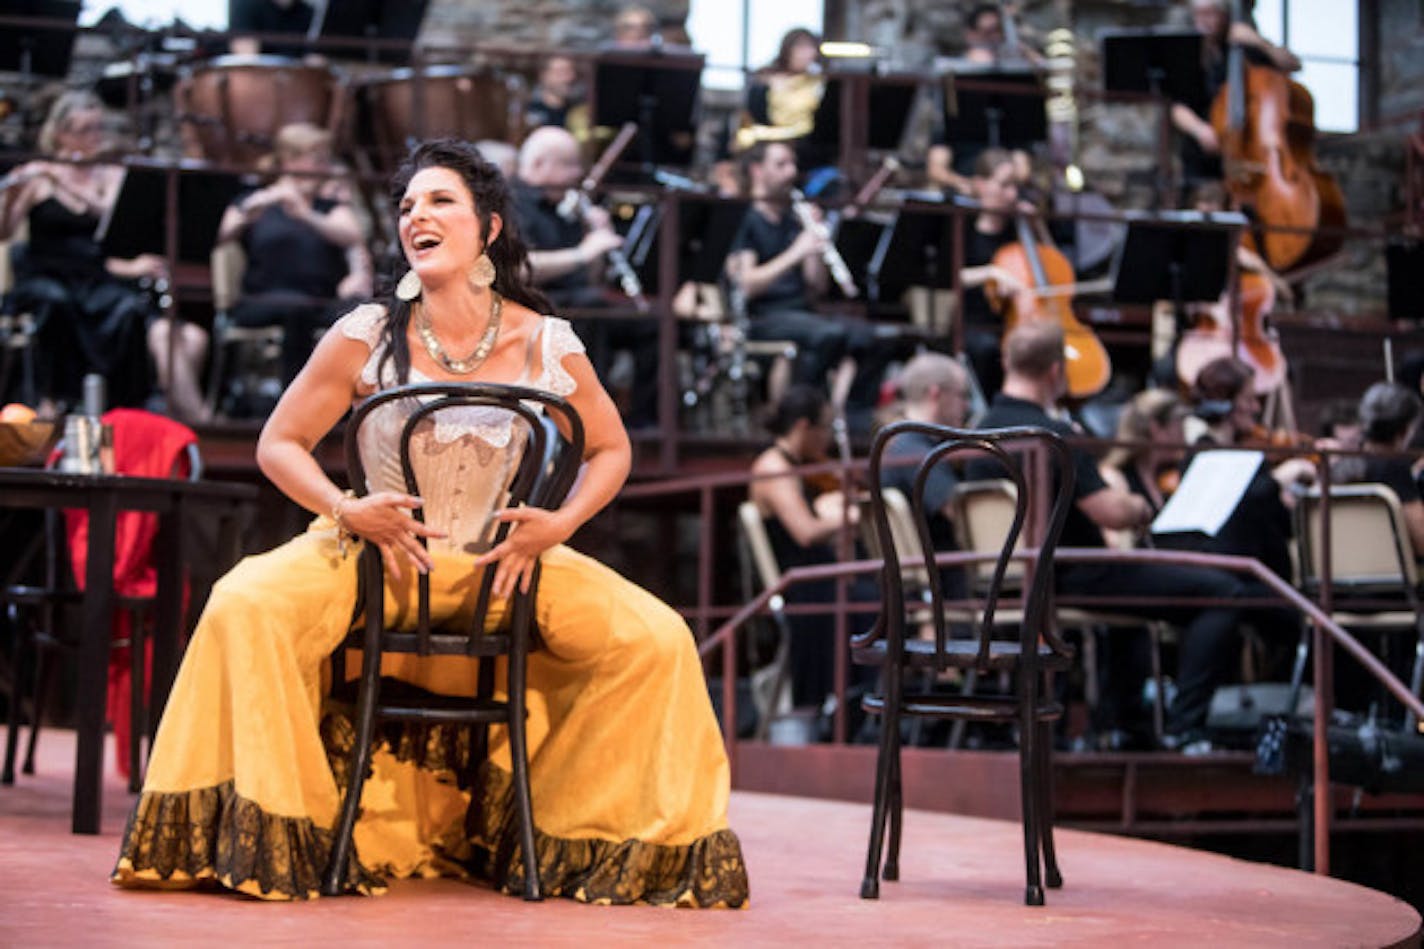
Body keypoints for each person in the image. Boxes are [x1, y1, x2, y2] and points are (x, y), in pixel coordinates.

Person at [111, 138, 748, 906]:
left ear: (489, 226)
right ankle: (283, 830)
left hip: (505, 567)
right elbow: (278, 442)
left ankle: (566, 838)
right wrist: (346, 507)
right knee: (243, 601)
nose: (418, 214)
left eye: (439, 200)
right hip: (372, 554)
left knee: (657, 639)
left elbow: (610, 449)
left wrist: (558, 522)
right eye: (407, 205)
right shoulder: (366, 331)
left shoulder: (546, 341)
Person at [968, 322, 1245, 752]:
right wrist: (1139, 507)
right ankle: (1184, 727)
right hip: (1068, 575)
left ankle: (1128, 723)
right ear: (1056, 372)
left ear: (1007, 363)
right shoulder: (1052, 434)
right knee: (1224, 592)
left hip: (1007, 577)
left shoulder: (977, 432)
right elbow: (1110, 514)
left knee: (1133, 601)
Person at [0, 90, 163, 414]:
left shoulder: (107, 174)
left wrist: (66, 184)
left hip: (94, 274)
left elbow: (112, 218)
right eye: (85, 130)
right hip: (46, 272)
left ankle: (120, 406)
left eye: (98, 128)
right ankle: (49, 399)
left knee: (127, 309)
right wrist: (12, 195)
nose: (94, 137)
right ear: (61, 133)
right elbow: (4, 231)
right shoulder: (37, 174)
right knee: (54, 303)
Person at [512, 125, 657, 427]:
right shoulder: (513, 202)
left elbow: (592, 278)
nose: (577, 174)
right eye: (569, 164)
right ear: (540, 165)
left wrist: (596, 236)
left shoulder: (564, 205)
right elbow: (518, 267)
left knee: (650, 322)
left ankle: (643, 420)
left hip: (578, 300)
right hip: (532, 305)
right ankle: (589, 419)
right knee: (593, 312)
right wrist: (582, 253)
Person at [213, 122, 371, 394]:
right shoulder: (256, 200)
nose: (325, 167)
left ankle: (352, 403)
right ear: (291, 160)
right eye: (318, 159)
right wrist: (251, 212)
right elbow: (221, 235)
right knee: (297, 311)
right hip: (263, 300)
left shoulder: (328, 208)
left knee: (364, 314)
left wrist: (305, 214)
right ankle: (297, 403)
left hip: (321, 300)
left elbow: (352, 235)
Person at [726, 140, 882, 409]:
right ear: (756, 170)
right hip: (760, 315)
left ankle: (850, 417)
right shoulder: (744, 218)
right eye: (781, 164)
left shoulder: (792, 218)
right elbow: (746, 285)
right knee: (827, 336)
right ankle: (798, 414)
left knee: (870, 338)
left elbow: (816, 285)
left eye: (792, 164)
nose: (791, 172)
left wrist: (815, 242)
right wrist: (796, 252)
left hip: (802, 312)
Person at [748, 385, 861, 717]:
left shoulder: (799, 464)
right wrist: (849, 516)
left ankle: (854, 701)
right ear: (802, 427)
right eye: (823, 427)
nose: (827, 438)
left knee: (872, 593)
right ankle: (840, 704)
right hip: (801, 583)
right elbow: (806, 532)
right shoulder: (774, 467)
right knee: (869, 602)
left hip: (815, 577)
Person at [1169, 0, 1300, 194]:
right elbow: (1176, 105)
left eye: (1210, 14)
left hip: (1250, 149)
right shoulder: (1189, 54)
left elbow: (1292, 65)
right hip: (1203, 154)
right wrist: (1200, 130)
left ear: (1224, 16)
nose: (1204, 21)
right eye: (1199, 14)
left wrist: (1259, 42)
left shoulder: (1245, 49)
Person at [955, 148, 1039, 399]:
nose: (1012, 195)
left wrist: (1036, 227)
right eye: (1004, 186)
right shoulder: (963, 226)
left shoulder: (1019, 229)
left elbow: (1053, 269)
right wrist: (991, 273)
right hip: (977, 323)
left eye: (1015, 186)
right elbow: (952, 276)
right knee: (988, 350)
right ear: (981, 185)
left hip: (1020, 321)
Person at [1339, 382, 1424, 558]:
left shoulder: (1341, 464)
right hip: (1393, 577)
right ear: (1403, 431)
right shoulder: (1394, 468)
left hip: (1340, 570)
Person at [1098, 388, 1189, 550]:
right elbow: (1115, 543)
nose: (1184, 437)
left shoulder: (1168, 475)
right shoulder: (1115, 477)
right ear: (1156, 428)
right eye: (1178, 426)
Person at [735, 29, 824, 156]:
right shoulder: (764, 80)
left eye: (812, 48)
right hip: (765, 144)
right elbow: (750, 118)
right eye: (801, 47)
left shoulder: (817, 82)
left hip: (802, 144)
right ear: (788, 49)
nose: (808, 54)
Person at [228, 0, 316, 57]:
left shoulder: (309, 13)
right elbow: (246, 58)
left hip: (296, 80)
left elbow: (316, 62)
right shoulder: (245, 4)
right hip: (258, 80)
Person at [524, 55, 583, 132]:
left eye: (571, 71)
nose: (569, 78)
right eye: (561, 72)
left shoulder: (578, 112)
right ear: (544, 75)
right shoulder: (529, 111)